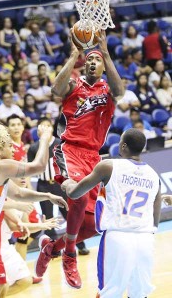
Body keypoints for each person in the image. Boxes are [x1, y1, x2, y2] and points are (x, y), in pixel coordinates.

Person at [35, 30, 124, 288]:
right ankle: (69, 255)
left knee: (94, 224)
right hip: (70, 150)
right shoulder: (75, 84)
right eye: (91, 59)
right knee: (78, 193)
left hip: (93, 157)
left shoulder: (108, 89)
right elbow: (56, 88)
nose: (94, 62)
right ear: (85, 64)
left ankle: (52, 248)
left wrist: (105, 52)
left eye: (98, 60)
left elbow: (119, 91)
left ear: (103, 65)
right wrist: (74, 54)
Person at [62, 128, 161, 298]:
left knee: (109, 292)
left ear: (122, 146)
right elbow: (156, 216)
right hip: (146, 239)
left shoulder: (108, 166)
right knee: (139, 293)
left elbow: (75, 193)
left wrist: (67, 184)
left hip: (118, 238)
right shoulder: (154, 175)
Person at [0, 125, 68, 298]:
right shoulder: (0, 166)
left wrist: (46, 195)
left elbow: (18, 193)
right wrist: (45, 138)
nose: (13, 148)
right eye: (9, 145)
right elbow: (38, 166)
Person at [28, 117, 90, 254]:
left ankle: (80, 246)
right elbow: (30, 169)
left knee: (71, 216)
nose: (44, 129)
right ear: (37, 130)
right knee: (48, 218)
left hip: (60, 184)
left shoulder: (59, 144)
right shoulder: (33, 148)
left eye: (47, 126)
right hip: (44, 185)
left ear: (52, 128)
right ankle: (53, 249)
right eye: (41, 126)